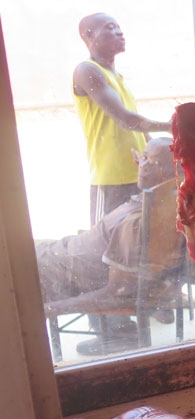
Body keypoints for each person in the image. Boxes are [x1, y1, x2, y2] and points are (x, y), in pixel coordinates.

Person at [37, 137, 184, 356]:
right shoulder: (166, 202)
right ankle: (119, 329)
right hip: (66, 252)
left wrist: (55, 309)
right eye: (142, 158)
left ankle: (120, 333)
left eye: (152, 163)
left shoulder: (136, 223)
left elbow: (118, 292)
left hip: (60, 267)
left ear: (170, 171)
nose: (141, 166)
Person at [73, 12, 171, 225]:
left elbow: (136, 125)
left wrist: (151, 153)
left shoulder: (117, 78)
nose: (119, 31)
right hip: (110, 180)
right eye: (109, 27)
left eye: (118, 26)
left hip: (136, 176)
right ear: (89, 35)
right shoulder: (87, 70)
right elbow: (125, 119)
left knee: (133, 246)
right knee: (104, 246)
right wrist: (171, 127)